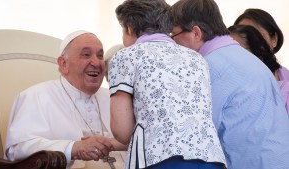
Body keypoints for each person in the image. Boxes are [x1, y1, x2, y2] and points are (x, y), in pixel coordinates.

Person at [169, 0, 289, 169]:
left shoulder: (208, 66)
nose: (172, 43)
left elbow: (195, 135)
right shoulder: (246, 58)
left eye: (173, 35)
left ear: (196, 33)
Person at [109, 0, 227, 169]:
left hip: (159, 157)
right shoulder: (197, 59)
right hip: (210, 158)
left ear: (129, 27)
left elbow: (122, 131)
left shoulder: (126, 56)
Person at [5, 30, 127, 169]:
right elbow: (17, 149)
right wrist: (73, 148)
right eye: (86, 55)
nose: (96, 62)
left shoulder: (114, 97)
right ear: (64, 64)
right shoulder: (36, 96)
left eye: (100, 56)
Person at [228, 24, 289, 114]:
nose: (229, 59)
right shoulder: (222, 91)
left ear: (259, 54)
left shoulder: (284, 93)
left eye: (237, 52)